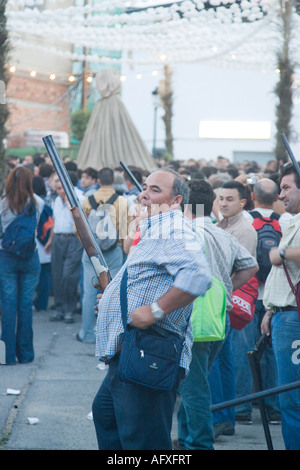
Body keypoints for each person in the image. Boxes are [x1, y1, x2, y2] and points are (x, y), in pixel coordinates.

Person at [92, 168, 212, 450]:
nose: (144, 193)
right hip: (134, 352)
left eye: (155, 190)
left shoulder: (173, 228)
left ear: (176, 201)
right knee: (107, 417)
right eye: (145, 187)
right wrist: (112, 297)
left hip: (150, 350)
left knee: (144, 442)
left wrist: (155, 311)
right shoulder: (155, 228)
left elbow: (198, 275)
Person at [176, 179, 258, 450]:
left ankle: (198, 445)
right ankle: (187, 437)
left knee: (194, 387)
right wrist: (224, 289)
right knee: (193, 384)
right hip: (218, 318)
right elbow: (251, 266)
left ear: (182, 202)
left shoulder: (184, 233)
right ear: (211, 204)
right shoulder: (221, 234)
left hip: (192, 318)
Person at [211, 180, 258, 427]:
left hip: (225, 302)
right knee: (223, 359)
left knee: (220, 361)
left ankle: (222, 417)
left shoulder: (245, 229)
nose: (224, 203)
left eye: (230, 199)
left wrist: (224, 290)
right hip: (221, 301)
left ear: (243, 201)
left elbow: (243, 268)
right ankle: (224, 418)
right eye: (221, 198)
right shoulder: (222, 224)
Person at [261, 162, 300, 450]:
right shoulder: (293, 220)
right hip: (284, 317)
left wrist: (282, 252)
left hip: (293, 321)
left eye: (287, 187)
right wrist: (271, 309)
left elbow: (281, 259)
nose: (281, 194)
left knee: (293, 400)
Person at [241, 178, 282, 423]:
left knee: (244, 351)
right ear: (277, 198)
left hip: (248, 294)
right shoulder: (286, 222)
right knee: (271, 354)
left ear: (252, 196)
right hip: (274, 297)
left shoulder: (244, 220)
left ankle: (242, 408)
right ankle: (273, 408)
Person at [76, 167, 130, 343]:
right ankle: (109, 334)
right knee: (112, 291)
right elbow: (125, 228)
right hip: (113, 251)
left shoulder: (87, 200)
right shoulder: (121, 201)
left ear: (98, 181)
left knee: (88, 292)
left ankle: (87, 333)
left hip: (91, 251)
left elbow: (78, 228)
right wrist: (121, 246)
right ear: (114, 181)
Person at [0, 166, 42, 365]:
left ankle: (7, 356)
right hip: (30, 258)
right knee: (25, 305)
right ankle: (26, 354)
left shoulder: (2, 204)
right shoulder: (37, 203)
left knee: (8, 305)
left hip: (6, 257)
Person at [49, 173, 83, 324]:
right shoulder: (56, 200)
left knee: (69, 275)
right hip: (58, 238)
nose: (59, 190)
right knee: (56, 275)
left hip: (74, 239)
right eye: (57, 188)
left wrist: (70, 203)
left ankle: (70, 308)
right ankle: (59, 308)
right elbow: (55, 222)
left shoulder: (79, 197)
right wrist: (50, 241)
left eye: (61, 187)